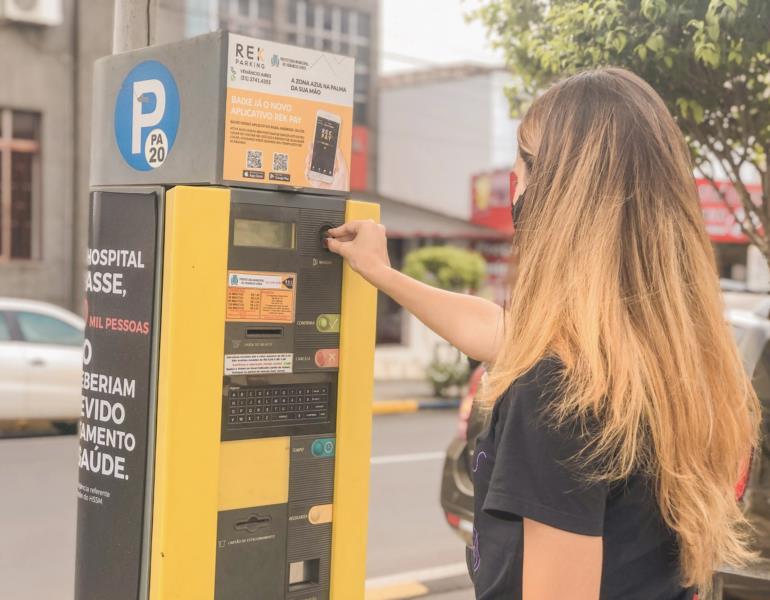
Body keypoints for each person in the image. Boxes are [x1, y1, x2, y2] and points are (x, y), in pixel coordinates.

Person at [326, 67, 760, 600]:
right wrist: (384, 274)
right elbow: (496, 329)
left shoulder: (559, 393)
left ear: (558, 196)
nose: (514, 179)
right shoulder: (668, 356)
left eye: (522, 161)